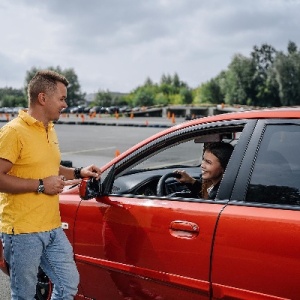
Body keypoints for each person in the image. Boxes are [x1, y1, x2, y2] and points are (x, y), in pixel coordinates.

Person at [0, 70, 101, 299]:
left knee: (68, 284)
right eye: (62, 98)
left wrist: (78, 171)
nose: (66, 104)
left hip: (52, 226)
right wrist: (40, 185)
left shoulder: (49, 129)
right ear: (43, 98)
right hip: (23, 231)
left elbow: (50, 167)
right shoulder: (13, 132)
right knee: (24, 295)